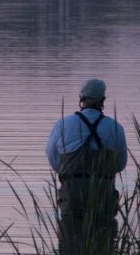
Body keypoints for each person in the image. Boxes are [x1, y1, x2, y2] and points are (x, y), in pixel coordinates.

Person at [45, 78, 128, 221]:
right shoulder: (115, 127)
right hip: (103, 199)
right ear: (103, 100)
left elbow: (54, 160)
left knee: (69, 241)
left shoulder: (62, 125)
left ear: (81, 99)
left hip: (72, 198)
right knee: (106, 240)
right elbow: (120, 164)